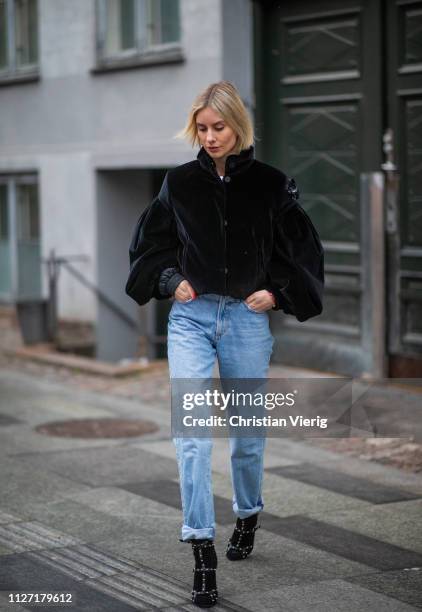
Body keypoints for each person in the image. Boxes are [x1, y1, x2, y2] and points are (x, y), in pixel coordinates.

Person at [125, 81, 324, 608]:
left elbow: (301, 249)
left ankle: (248, 513)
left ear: (239, 126)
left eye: (219, 128)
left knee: (246, 433)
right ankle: (202, 550)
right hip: (190, 318)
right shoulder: (179, 183)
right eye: (203, 129)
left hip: (245, 320)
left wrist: (276, 293)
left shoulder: (273, 185)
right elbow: (151, 244)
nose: (210, 138)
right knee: (190, 436)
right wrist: (170, 281)